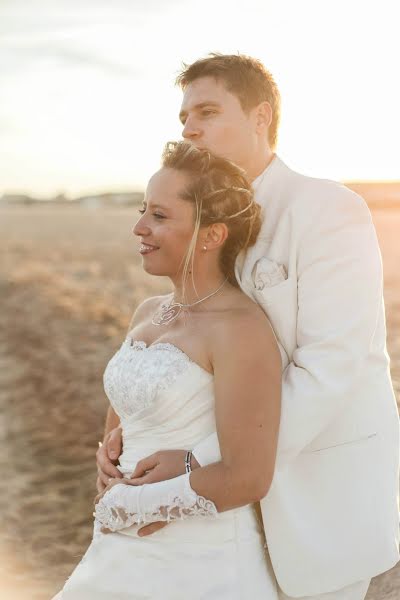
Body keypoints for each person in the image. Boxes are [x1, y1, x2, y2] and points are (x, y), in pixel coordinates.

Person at [97, 54, 400, 600]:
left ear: (261, 117)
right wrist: (133, 433)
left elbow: (330, 367)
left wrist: (201, 459)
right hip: (210, 501)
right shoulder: (198, 215)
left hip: (315, 489)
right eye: (185, 116)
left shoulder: (328, 209)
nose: (190, 127)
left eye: (207, 111)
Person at [54, 141, 283, 599]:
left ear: (211, 234)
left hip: (198, 564)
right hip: (117, 548)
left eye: (159, 216)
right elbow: (125, 410)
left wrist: (131, 505)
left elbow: (249, 476)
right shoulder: (147, 311)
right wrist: (108, 456)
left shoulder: (239, 329)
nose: (139, 227)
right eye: (143, 211)